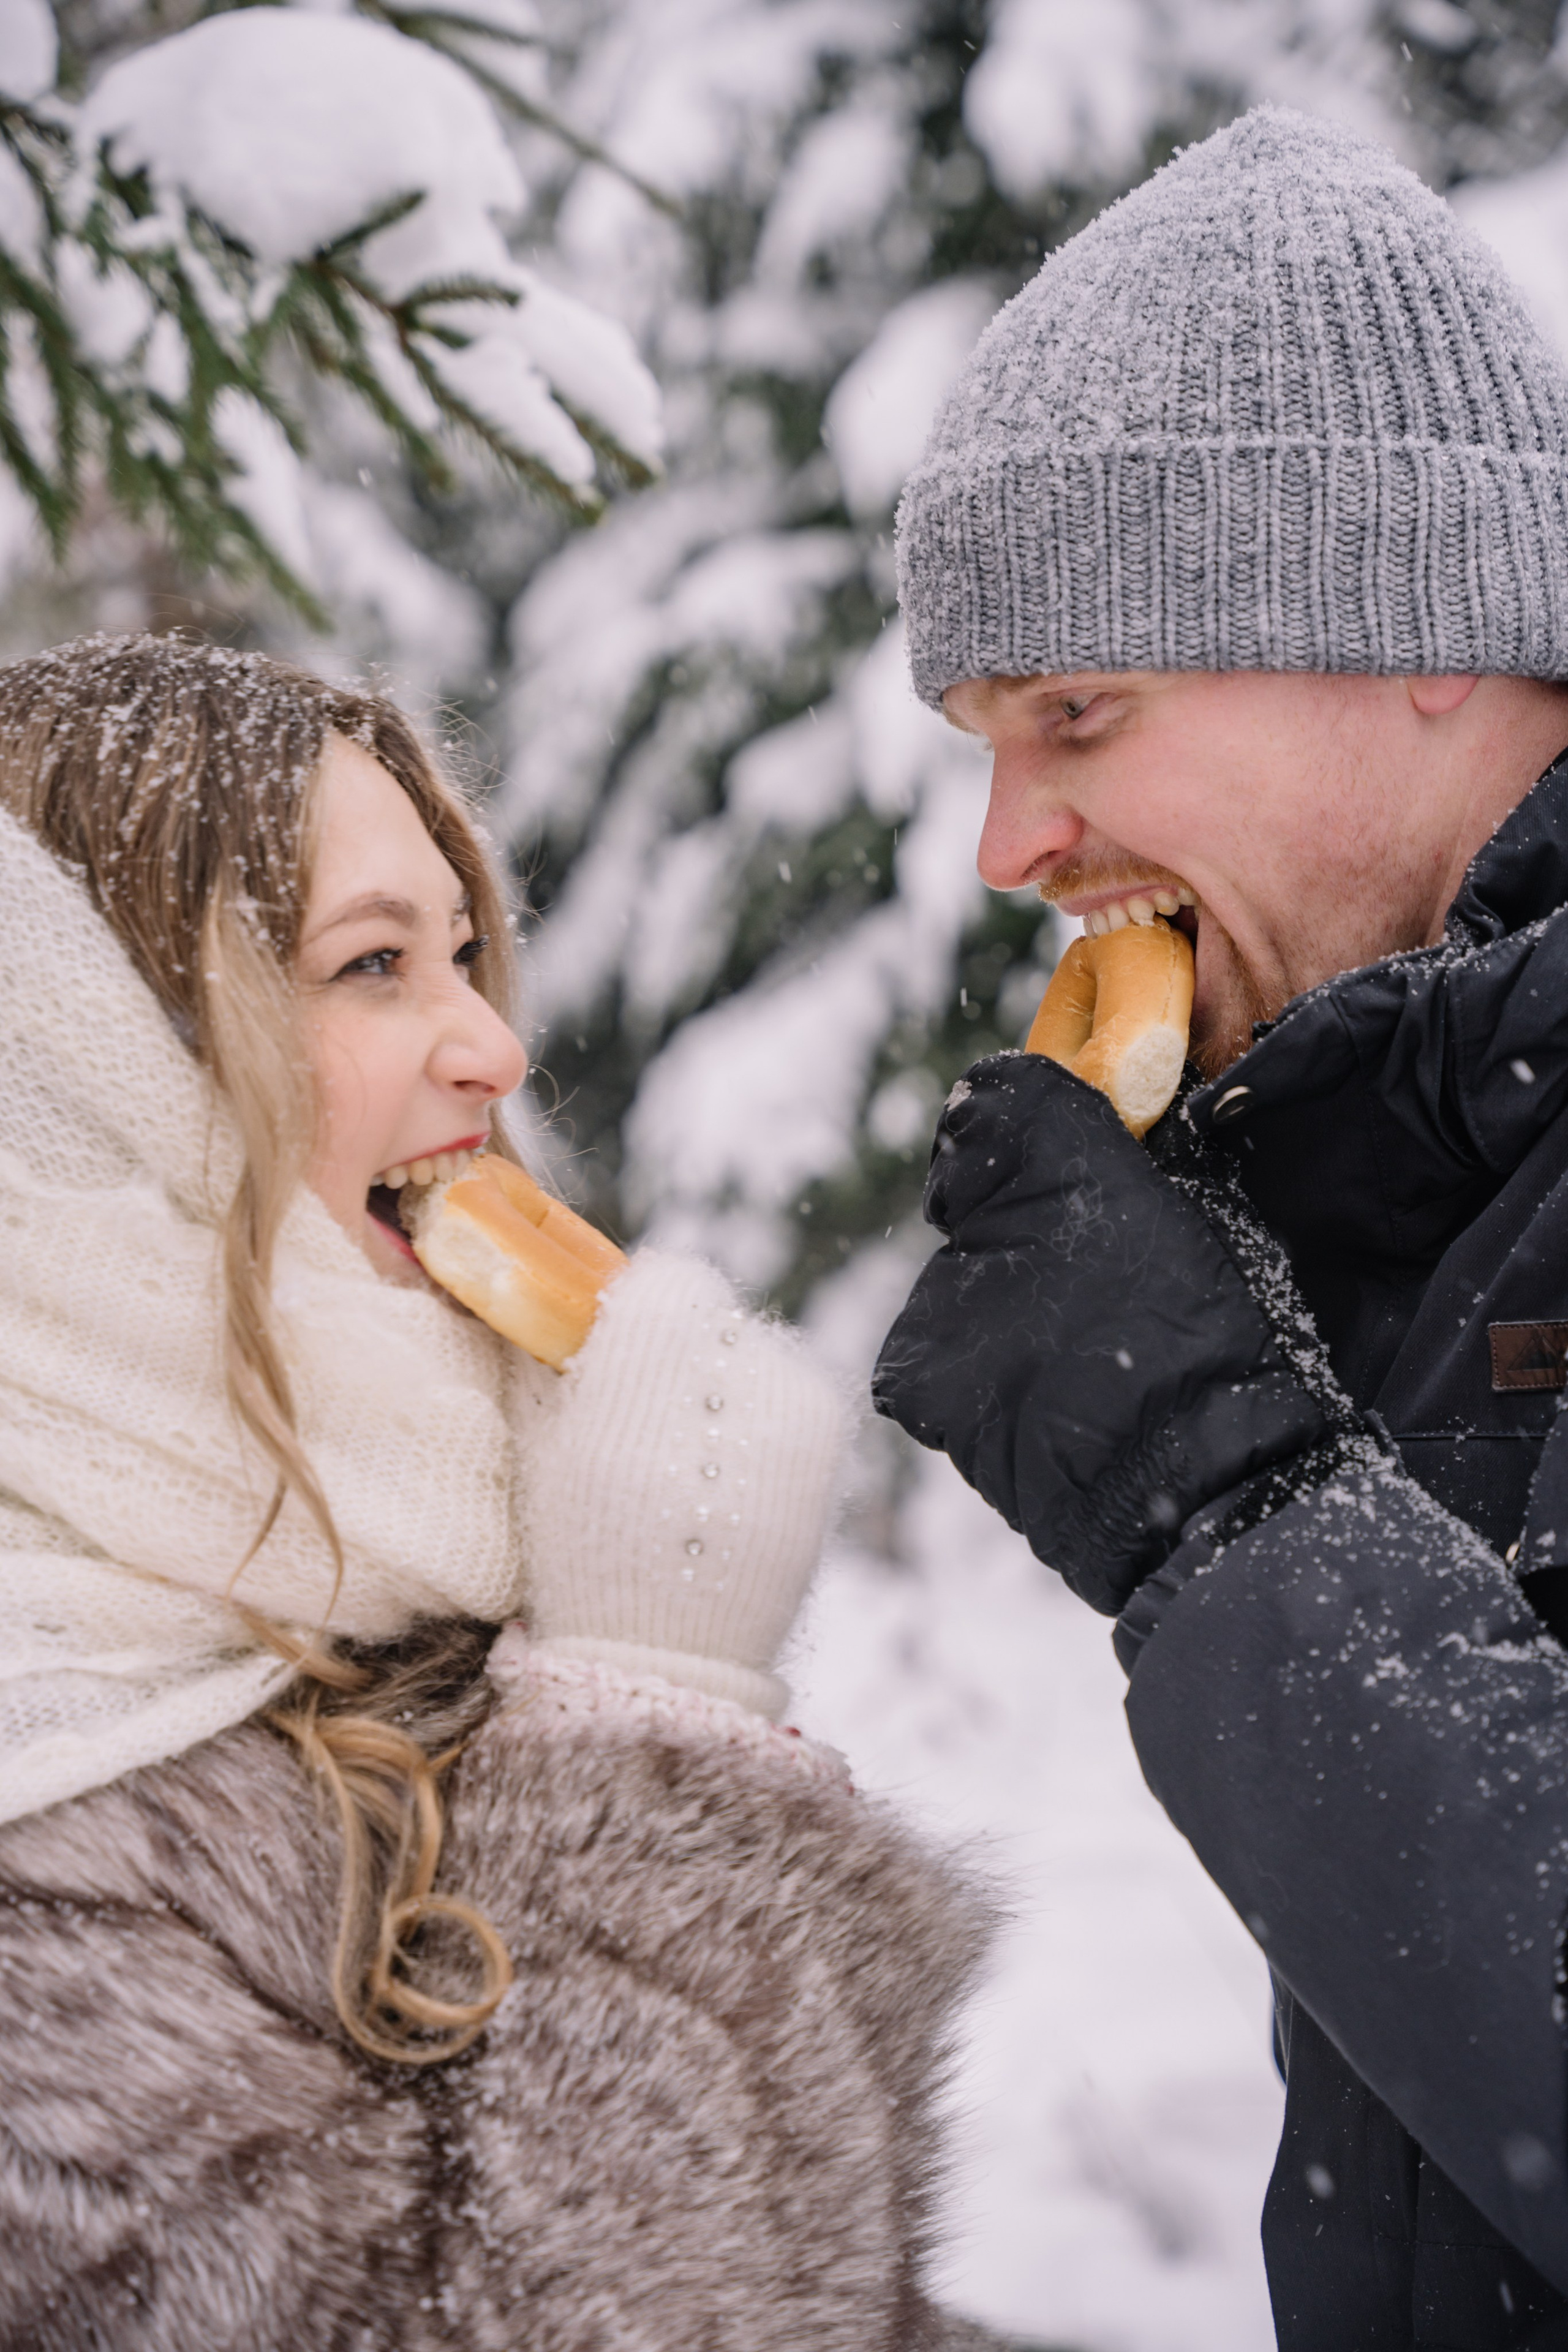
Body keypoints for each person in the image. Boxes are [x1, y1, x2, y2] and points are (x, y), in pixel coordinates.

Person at [0, 631, 1004, 2352]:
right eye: (372, 965)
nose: (489, 1048)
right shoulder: (43, 1805)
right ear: (94, 1073)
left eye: (462, 956)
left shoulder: (384, 1567)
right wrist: (656, 1720)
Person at [874, 104, 1568, 2350]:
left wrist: (1213, 1479)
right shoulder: (1445, 1163)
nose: (1008, 838)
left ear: (1424, 634)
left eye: (1078, 709)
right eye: (984, 736)